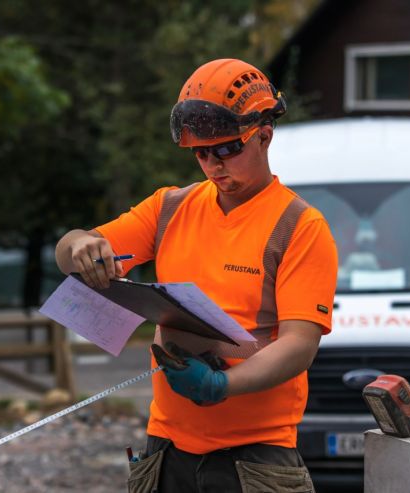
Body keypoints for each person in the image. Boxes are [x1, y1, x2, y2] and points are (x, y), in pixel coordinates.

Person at [55, 58, 337, 493]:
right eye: (201, 153)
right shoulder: (169, 208)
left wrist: (222, 385)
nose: (212, 164)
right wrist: (78, 244)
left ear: (264, 135)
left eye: (226, 149)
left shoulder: (300, 227)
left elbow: (300, 345)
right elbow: (71, 254)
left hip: (256, 457)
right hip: (167, 449)